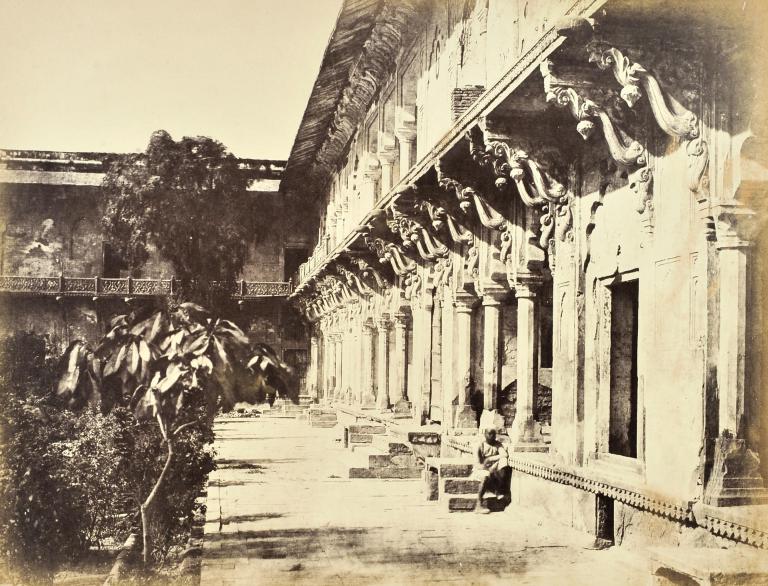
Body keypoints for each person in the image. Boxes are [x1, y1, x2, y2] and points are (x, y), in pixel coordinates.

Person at [475, 427, 511, 513]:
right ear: (485, 434)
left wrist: (490, 459)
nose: (492, 436)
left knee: (503, 462)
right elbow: (477, 464)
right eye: (489, 434)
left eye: (494, 434)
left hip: (494, 469)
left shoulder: (497, 444)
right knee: (485, 477)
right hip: (481, 469)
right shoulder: (480, 446)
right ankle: (478, 505)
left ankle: (500, 490)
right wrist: (487, 466)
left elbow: (504, 455)